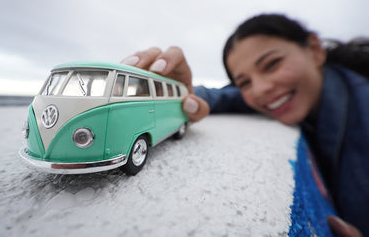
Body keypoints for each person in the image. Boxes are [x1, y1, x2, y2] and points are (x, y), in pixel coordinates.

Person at [121, 14, 368, 236]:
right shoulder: (283, 95)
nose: (260, 90)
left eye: (272, 64)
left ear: (315, 50)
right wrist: (174, 92)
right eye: (244, 82)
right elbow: (220, 96)